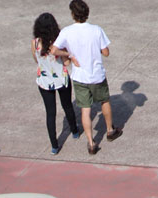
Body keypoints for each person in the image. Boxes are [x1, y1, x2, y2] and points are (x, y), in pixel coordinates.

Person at [50, 1, 120, 156]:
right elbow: (106, 52)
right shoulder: (96, 30)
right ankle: (110, 130)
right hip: (97, 75)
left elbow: (54, 50)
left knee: (85, 110)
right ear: (86, 13)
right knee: (105, 101)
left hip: (79, 77)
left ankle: (91, 143)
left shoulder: (67, 32)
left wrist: (69, 54)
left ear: (73, 14)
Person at [31, 13, 79, 155]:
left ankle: (54, 145)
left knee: (50, 113)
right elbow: (66, 62)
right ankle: (75, 131)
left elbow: (36, 60)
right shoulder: (58, 43)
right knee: (67, 106)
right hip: (61, 79)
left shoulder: (34, 43)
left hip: (44, 81)